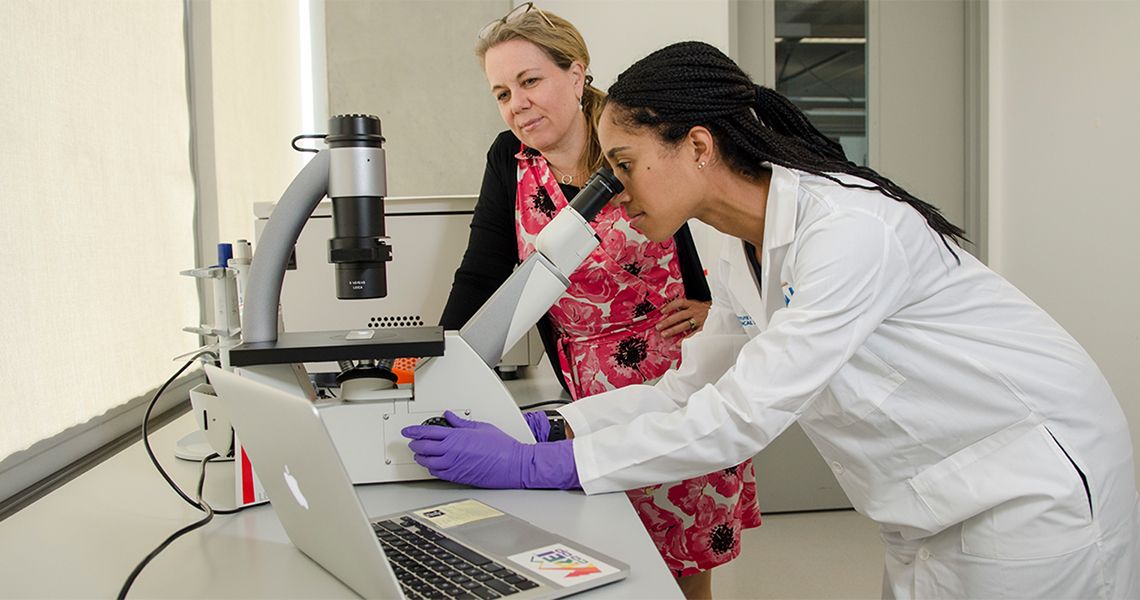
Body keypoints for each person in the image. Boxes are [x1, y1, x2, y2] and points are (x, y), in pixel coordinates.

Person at [408, 40, 1140, 599]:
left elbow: (738, 418)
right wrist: (558, 426)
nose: (617, 191)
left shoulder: (848, 228)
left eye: (624, 164)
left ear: (697, 145)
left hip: (1028, 490)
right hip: (933, 498)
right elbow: (689, 389)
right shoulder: (741, 244)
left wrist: (544, 467)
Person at [438, 7, 761, 597]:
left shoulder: (635, 142)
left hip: (677, 366)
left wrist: (715, 308)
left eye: (530, 81)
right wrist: (439, 366)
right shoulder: (509, 162)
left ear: (577, 72)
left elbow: (696, 230)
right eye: (502, 92)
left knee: (682, 565)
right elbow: (482, 272)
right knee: (604, 560)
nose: (517, 104)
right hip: (585, 384)